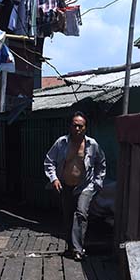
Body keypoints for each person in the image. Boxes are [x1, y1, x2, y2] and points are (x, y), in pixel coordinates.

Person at [44, 111, 107, 261]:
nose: (77, 129)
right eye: (75, 126)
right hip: (65, 185)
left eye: (80, 126)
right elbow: (49, 161)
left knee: (81, 214)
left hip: (85, 186)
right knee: (68, 216)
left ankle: (79, 250)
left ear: (85, 128)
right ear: (70, 127)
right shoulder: (61, 143)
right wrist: (54, 179)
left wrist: (97, 183)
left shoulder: (92, 145)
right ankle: (71, 247)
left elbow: (101, 163)